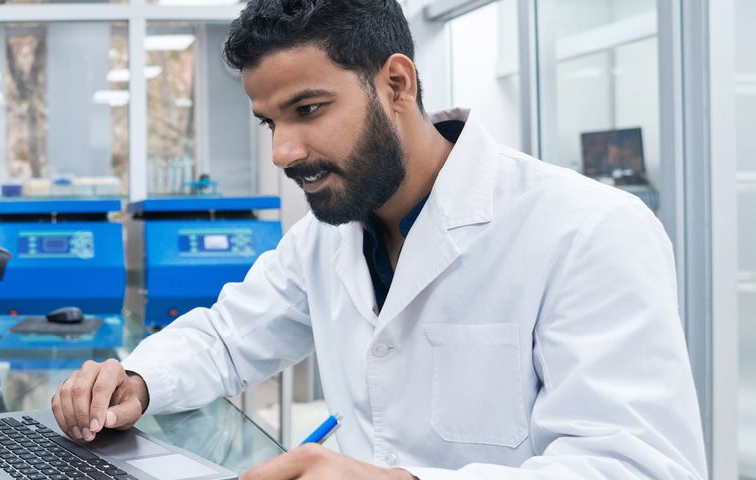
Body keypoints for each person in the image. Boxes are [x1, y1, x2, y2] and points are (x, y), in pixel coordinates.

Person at [50, 0, 707, 478]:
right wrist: (137, 380)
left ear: (397, 83)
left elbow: (639, 466)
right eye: (268, 122)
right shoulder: (325, 240)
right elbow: (225, 337)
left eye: (308, 110)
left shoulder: (587, 230)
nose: (283, 151)